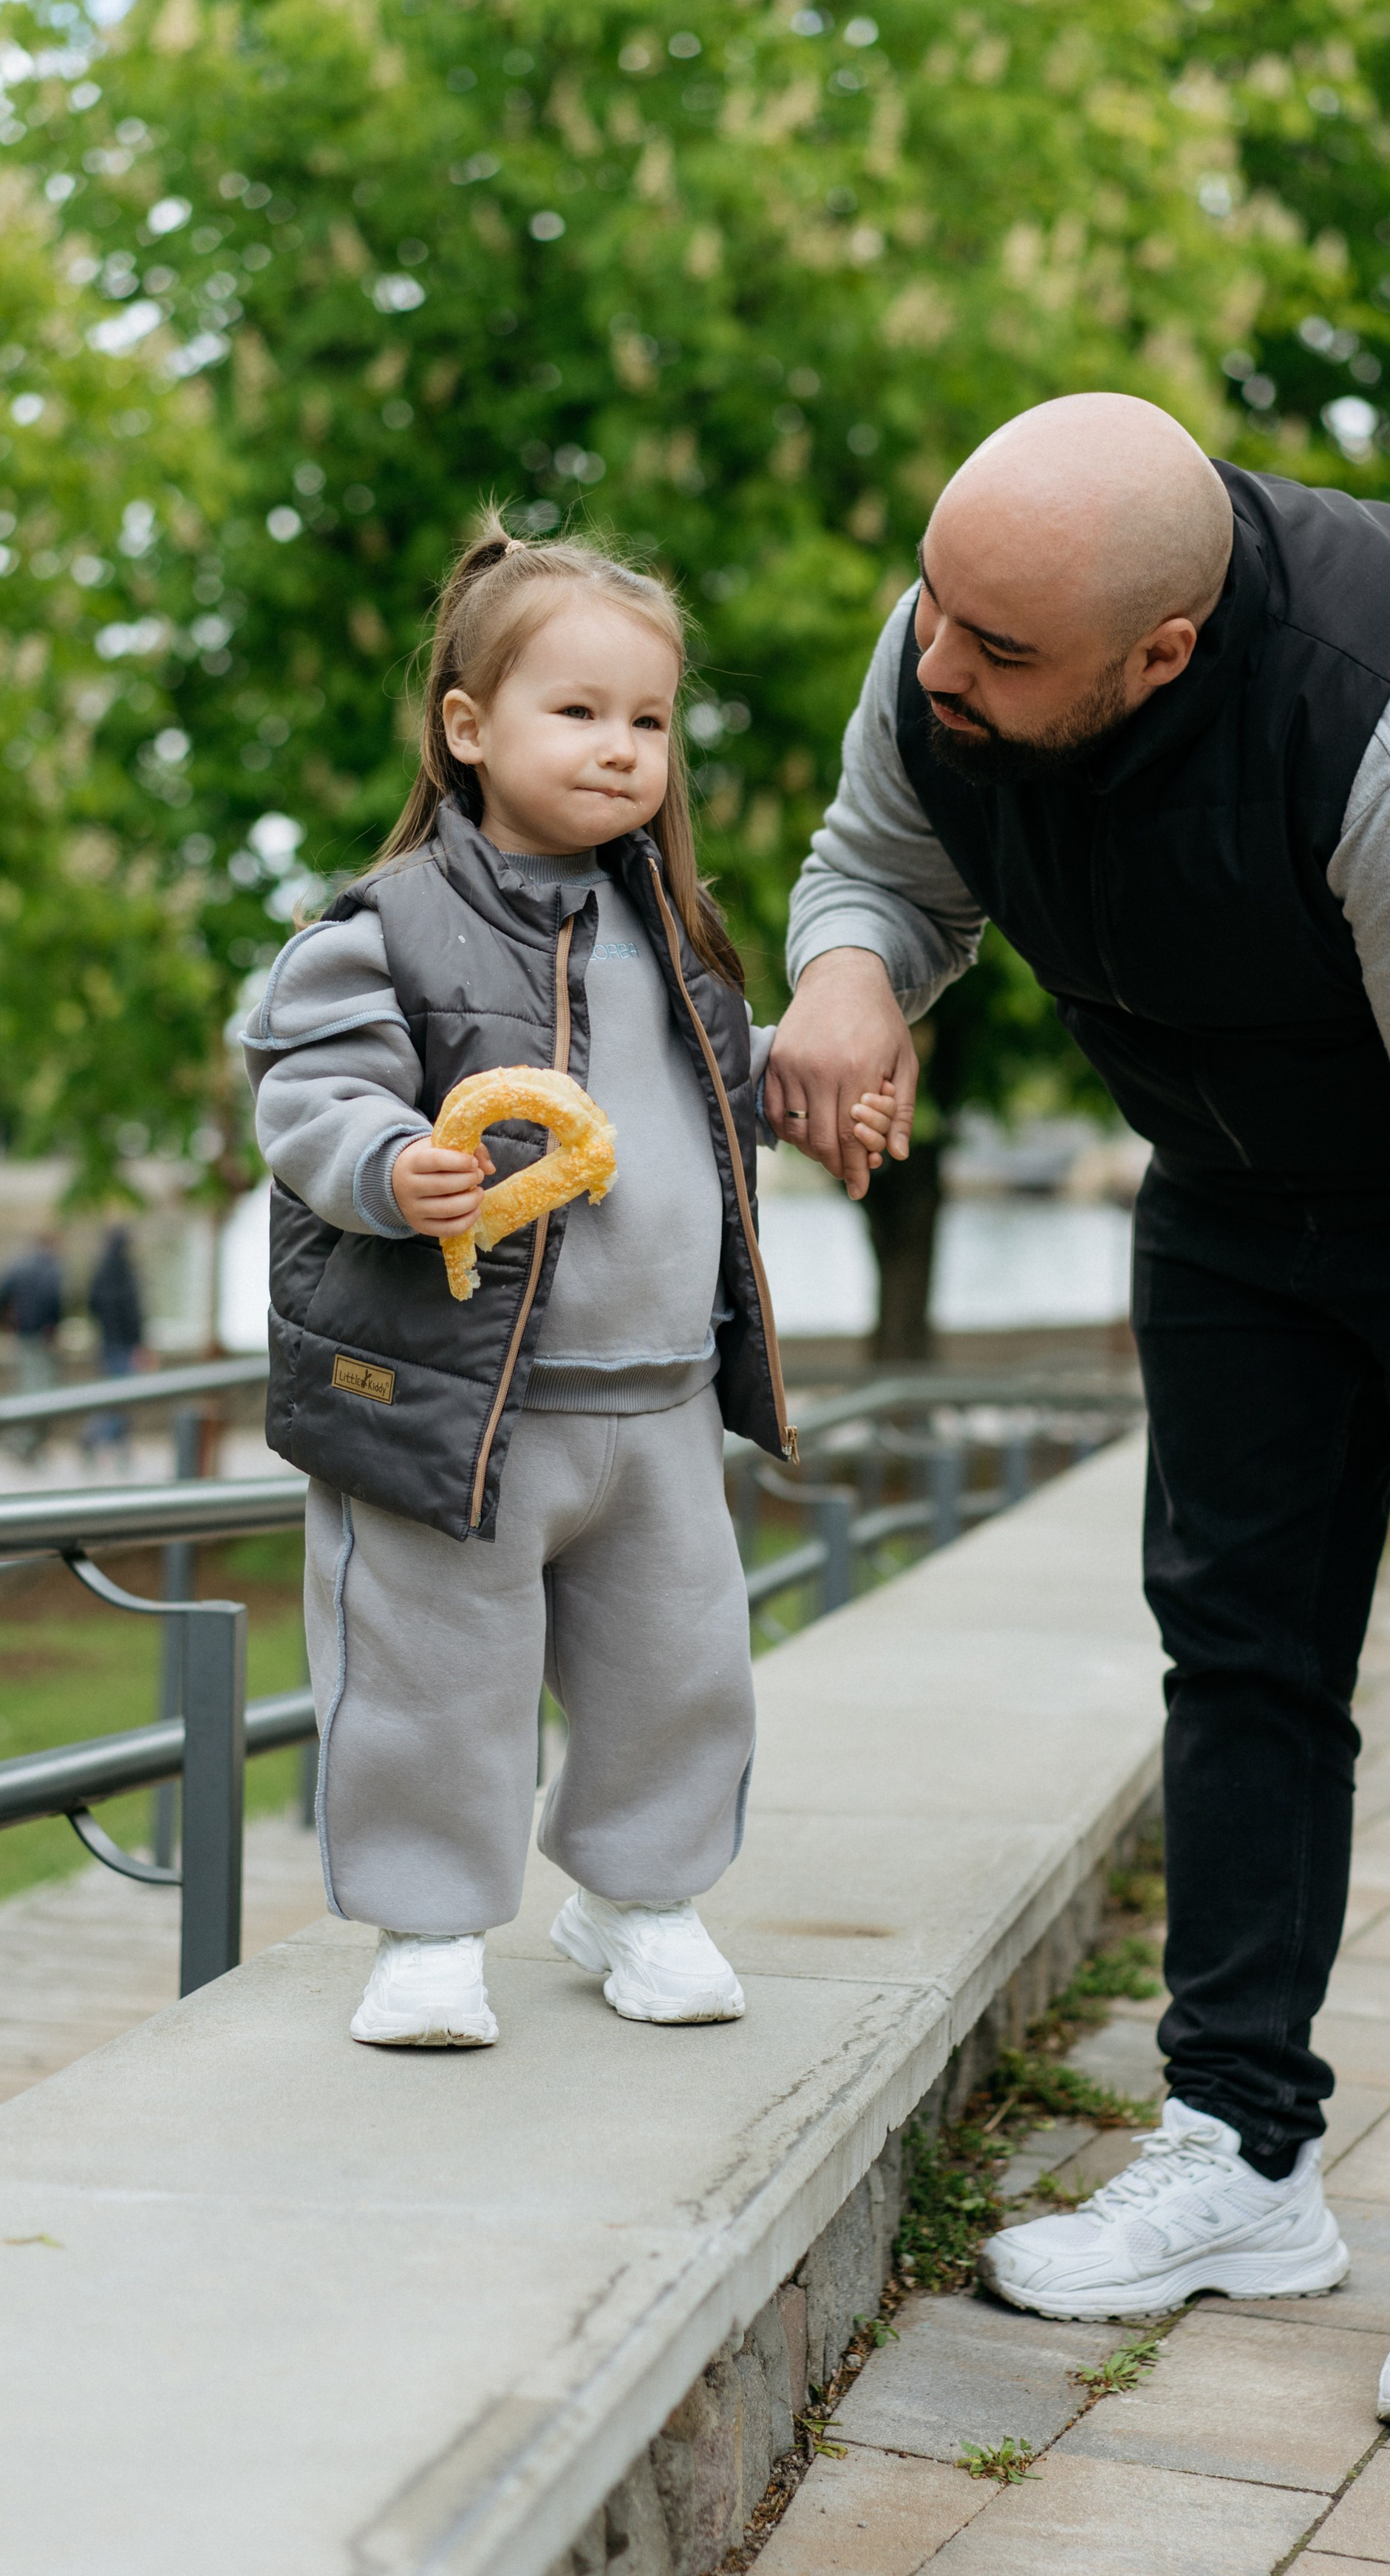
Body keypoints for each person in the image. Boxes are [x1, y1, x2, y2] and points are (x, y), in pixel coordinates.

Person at [771, 394, 1390, 2436]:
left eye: (998, 656)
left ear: (1163, 654)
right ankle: (1243, 2158)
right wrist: (849, 973)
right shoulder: (969, 624)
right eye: (935, 617)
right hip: (1230, 1150)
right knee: (1239, 1638)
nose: (938, 668)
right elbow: (879, 861)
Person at [244, 514, 892, 2051]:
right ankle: (424, 1930)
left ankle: (639, 1899)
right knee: (430, 1677)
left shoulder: (674, 940)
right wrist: (394, 1166)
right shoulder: (382, 927)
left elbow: (704, 1119)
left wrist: (806, 1101)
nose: (621, 750)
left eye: (649, 721)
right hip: (460, 1402)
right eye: (578, 712)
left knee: (677, 1669)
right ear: (467, 730)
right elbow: (305, 1095)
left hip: (655, 1399)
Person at [0, 1229, 66, 1461]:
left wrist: (2, 1323)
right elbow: (55, 1301)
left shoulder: (18, 1266)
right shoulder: (52, 1268)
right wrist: (53, 1331)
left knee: (26, 1387)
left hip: (22, 1334)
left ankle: (22, 1439)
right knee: (42, 1390)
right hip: (42, 1336)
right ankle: (29, 1442)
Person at [81, 1221, 147, 1468]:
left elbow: (92, 1305)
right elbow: (134, 1313)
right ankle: (95, 1437)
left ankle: (119, 1448)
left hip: (107, 1343)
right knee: (121, 1399)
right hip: (124, 1345)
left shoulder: (101, 1272)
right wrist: (139, 1344)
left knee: (115, 1397)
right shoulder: (126, 1274)